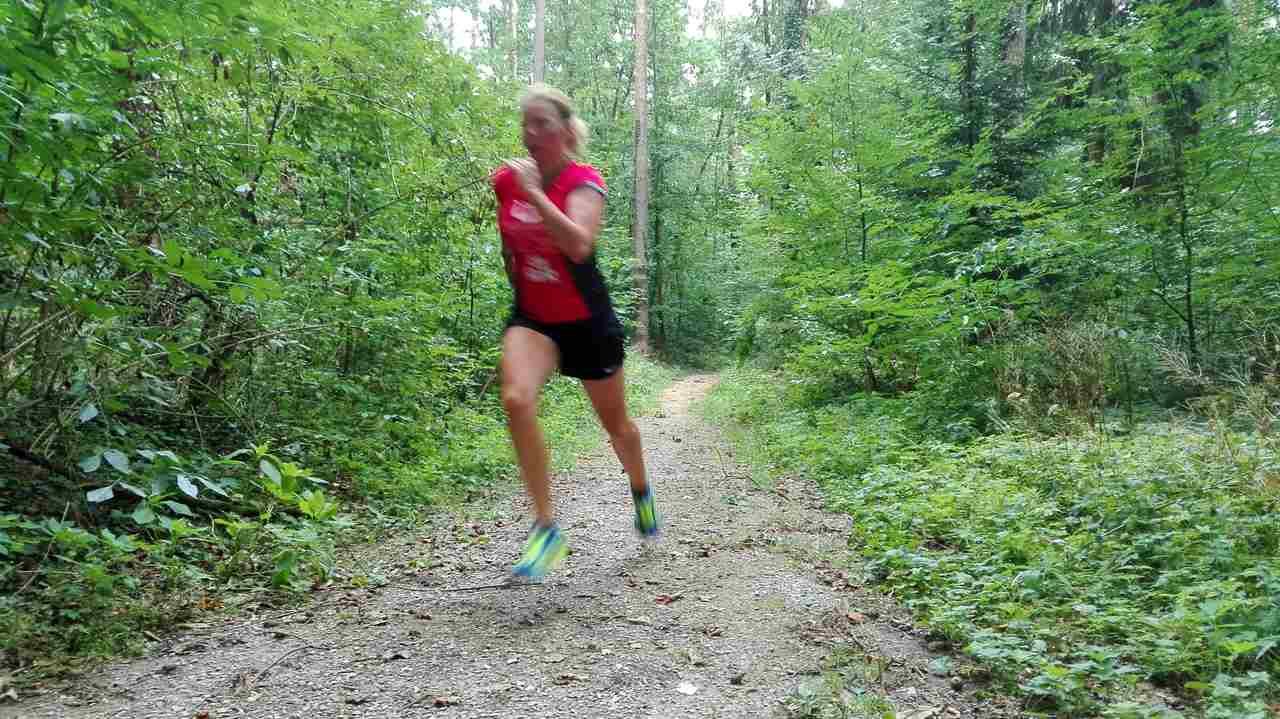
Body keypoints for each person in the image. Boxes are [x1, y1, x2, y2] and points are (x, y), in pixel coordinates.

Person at [492, 84, 659, 581]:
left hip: (587, 321)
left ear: (566, 130)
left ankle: (641, 490)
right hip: (535, 318)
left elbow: (580, 245)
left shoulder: (585, 181)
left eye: (542, 122)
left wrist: (536, 195)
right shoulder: (506, 181)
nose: (531, 132)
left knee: (618, 427)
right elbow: (510, 245)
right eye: (526, 123)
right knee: (517, 399)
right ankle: (546, 529)